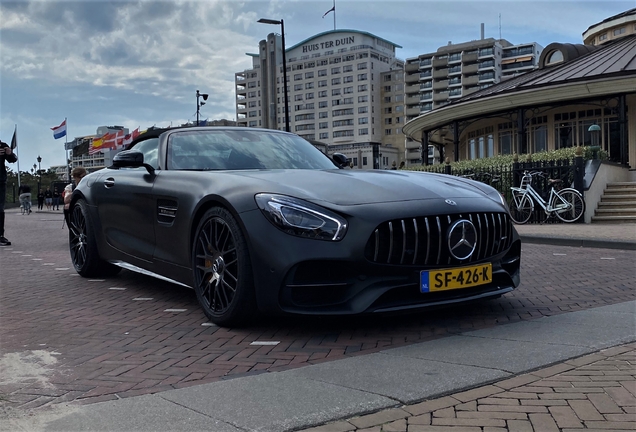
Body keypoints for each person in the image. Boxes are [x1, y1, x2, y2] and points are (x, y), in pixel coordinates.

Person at [0, 139, 18, 246]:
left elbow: (13, 159)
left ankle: (0, 236)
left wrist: (10, 153)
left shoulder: (2, 145)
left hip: (0, 181)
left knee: (0, 208)